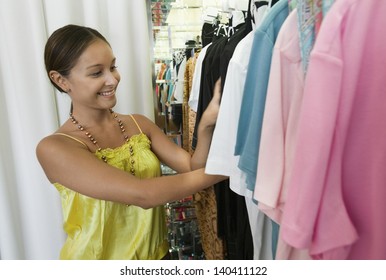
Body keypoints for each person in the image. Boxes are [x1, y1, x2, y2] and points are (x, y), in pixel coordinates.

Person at [36, 24, 225, 260]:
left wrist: (205, 126)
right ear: (61, 80)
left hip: (158, 257)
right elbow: (143, 195)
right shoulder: (55, 148)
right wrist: (230, 168)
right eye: (97, 73)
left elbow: (193, 169)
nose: (112, 80)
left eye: (112, 67)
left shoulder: (139, 124)